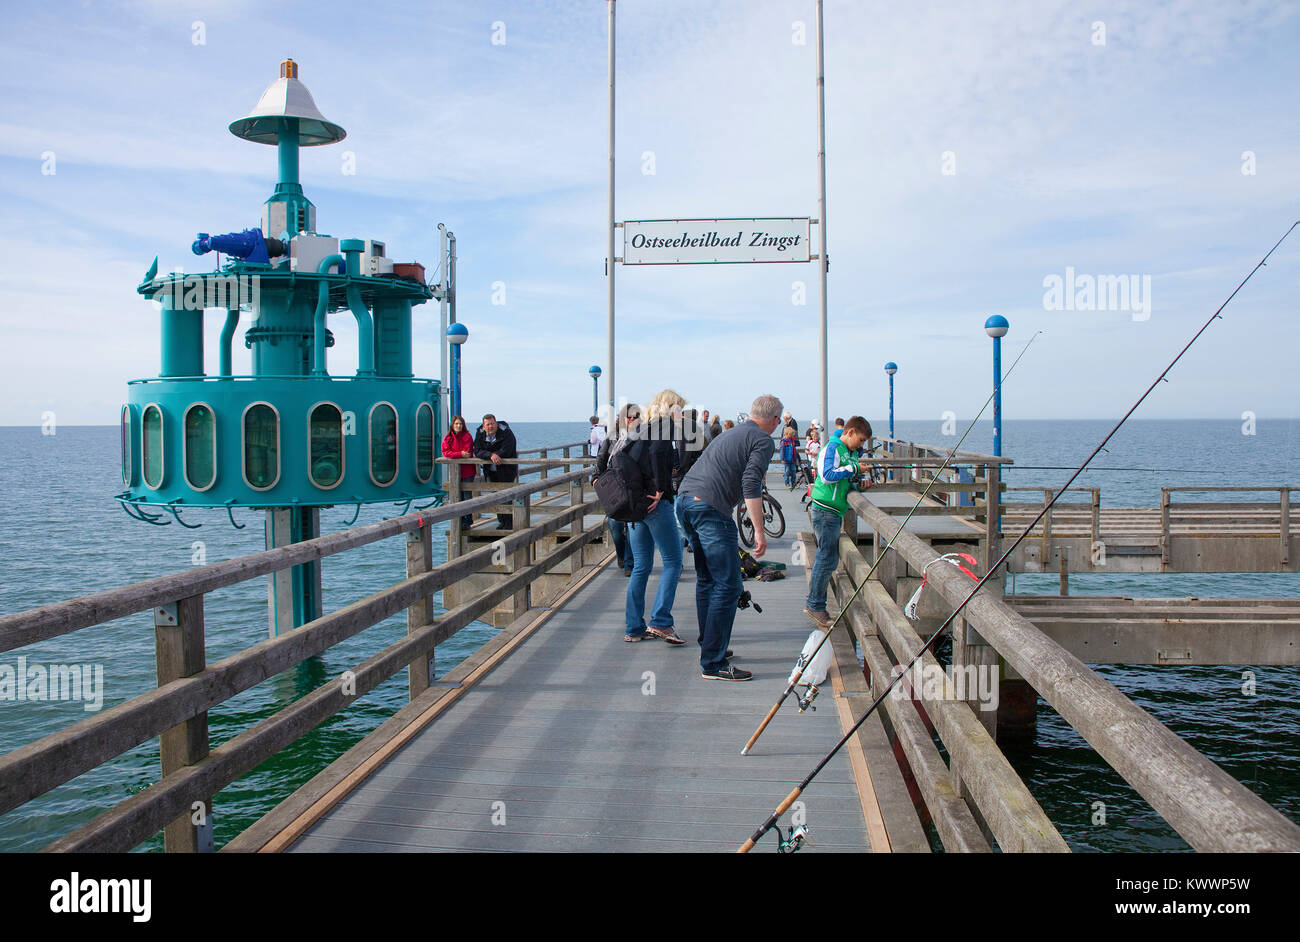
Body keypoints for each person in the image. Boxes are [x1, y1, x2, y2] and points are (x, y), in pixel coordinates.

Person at [676, 394, 782, 681]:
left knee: (707, 579)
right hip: (709, 508)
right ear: (774, 420)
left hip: (684, 501)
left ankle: (709, 643)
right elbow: (751, 483)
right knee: (729, 584)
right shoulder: (763, 439)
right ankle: (713, 662)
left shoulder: (730, 432)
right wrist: (759, 531)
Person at [623, 389, 686, 644]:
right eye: (680, 409)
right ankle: (660, 622)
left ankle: (634, 628)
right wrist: (661, 488)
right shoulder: (663, 426)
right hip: (655, 504)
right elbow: (658, 454)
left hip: (636, 506)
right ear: (670, 407)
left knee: (641, 566)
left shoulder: (643, 428)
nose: (682, 414)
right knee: (673, 562)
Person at [805, 416, 874, 629]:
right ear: (851, 432)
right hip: (826, 511)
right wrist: (854, 469)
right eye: (861, 440)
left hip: (832, 510)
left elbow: (841, 480)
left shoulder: (846, 451)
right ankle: (815, 605)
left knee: (829, 558)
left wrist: (859, 485)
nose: (861, 445)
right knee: (826, 559)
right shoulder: (834, 448)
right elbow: (826, 475)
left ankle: (816, 604)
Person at [596, 403, 639, 576]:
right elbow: (601, 457)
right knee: (615, 526)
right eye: (629, 416)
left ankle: (629, 563)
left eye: (636, 416)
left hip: (632, 488)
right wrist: (595, 477)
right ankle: (622, 555)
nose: (632, 419)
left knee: (630, 526)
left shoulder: (641, 437)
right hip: (614, 486)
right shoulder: (612, 437)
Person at [473, 414, 518, 529]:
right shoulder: (480, 433)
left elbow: (508, 448)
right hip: (490, 471)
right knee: (495, 496)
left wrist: (497, 455)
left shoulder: (506, 432)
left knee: (506, 496)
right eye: (488, 424)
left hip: (506, 470)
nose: (490, 426)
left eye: (492, 423)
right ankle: (501, 522)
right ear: (484, 425)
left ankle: (509, 523)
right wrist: (490, 455)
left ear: (496, 423)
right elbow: (477, 450)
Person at [441, 414, 477, 530]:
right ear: (452, 425)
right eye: (456, 423)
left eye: (460, 424)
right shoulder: (448, 438)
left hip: (468, 470)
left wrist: (457, 453)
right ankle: (460, 520)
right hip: (455, 472)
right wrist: (459, 454)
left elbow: (467, 452)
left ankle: (468, 520)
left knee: (467, 496)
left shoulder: (467, 436)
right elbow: (446, 452)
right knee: (457, 496)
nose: (458, 426)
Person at [779, 425, 800, 490]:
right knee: (787, 472)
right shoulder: (783, 442)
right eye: (790, 435)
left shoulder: (792, 441)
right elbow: (781, 451)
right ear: (786, 434)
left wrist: (796, 458)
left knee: (793, 471)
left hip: (792, 459)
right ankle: (787, 483)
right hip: (786, 459)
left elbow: (794, 450)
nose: (791, 436)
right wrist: (782, 459)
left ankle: (793, 483)